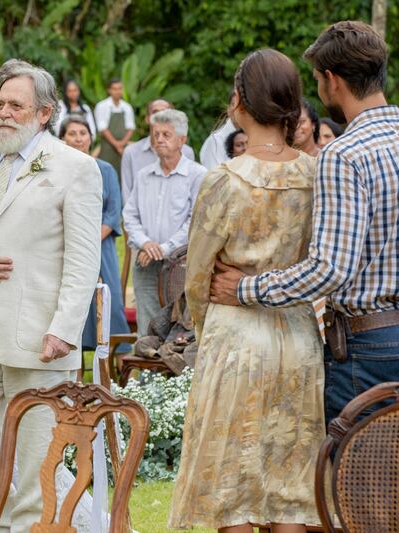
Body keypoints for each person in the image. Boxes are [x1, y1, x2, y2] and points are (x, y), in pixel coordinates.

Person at [209, 21, 399, 426]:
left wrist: (245, 288)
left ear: (332, 80)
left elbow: (330, 268)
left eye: (316, 80)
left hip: (369, 345)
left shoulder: (344, 154)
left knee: (360, 478)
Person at [169, 48, 324, 533]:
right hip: (298, 337)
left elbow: (198, 275)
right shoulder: (316, 175)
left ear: (239, 101)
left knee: (230, 487)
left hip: (235, 339)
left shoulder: (224, 180)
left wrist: (204, 323)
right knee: (291, 486)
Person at [0, 59, 102, 532]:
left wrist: (64, 329)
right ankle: (17, 523)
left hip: (39, 336)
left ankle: (33, 524)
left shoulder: (77, 168)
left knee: (38, 458)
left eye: (16, 106)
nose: (4, 114)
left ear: (44, 113)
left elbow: (82, 258)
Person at [122, 109, 206, 337]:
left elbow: (195, 220)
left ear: (182, 140)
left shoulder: (197, 175)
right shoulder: (144, 175)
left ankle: (178, 374)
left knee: (181, 326)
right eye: (155, 134)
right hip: (146, 260)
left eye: (166, 135)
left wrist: (163, 248)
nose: (159, 139)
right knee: (147, 325)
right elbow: (129, 215)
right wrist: (146, 243)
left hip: (181, 262)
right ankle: (147, 373)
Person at [59, 114, 130, 351]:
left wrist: (88, 240)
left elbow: (113, 213)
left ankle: (118, 369)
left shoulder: (106, 169)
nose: (78, 139)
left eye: (83, 133)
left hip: (101, 247)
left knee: (110, 303)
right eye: (72, 133)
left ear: (91, 137)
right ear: (62, 139)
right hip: (65, 247)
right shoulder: (57, 171)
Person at [120, 98, 195, 204]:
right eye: (155, 112)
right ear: (147, 119)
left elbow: (190, 193)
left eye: (166, 112)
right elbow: (127, 194)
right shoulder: (131, 153)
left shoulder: (186, 152)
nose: (161, 117)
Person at [94, 78, 135, 175]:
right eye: (114, 89)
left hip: (123, 148)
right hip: (107, 146)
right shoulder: (102, 106)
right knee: (106, 172)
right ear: (109, 90)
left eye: (120, 88)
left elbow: (131, 128)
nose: (117, 91)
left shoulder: (127, 107)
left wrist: (122, 144)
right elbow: (102, 128)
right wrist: (117, 145)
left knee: (123, 173)